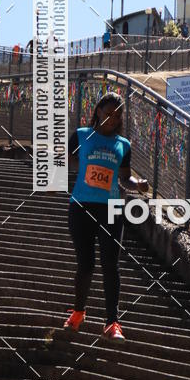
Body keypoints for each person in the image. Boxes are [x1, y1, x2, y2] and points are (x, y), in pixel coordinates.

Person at [64, 93, 147, 339]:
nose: (113, 118)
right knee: (86, 264)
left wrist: (138, 184)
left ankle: (112, 323)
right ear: (98, 111)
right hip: (81, 206)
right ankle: (78, 313)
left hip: (111, 208)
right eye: (109, 113)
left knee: (110, 264)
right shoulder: (81, 135)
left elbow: (125, 178)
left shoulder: (123, 144)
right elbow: (66, 160)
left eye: (118, 115)